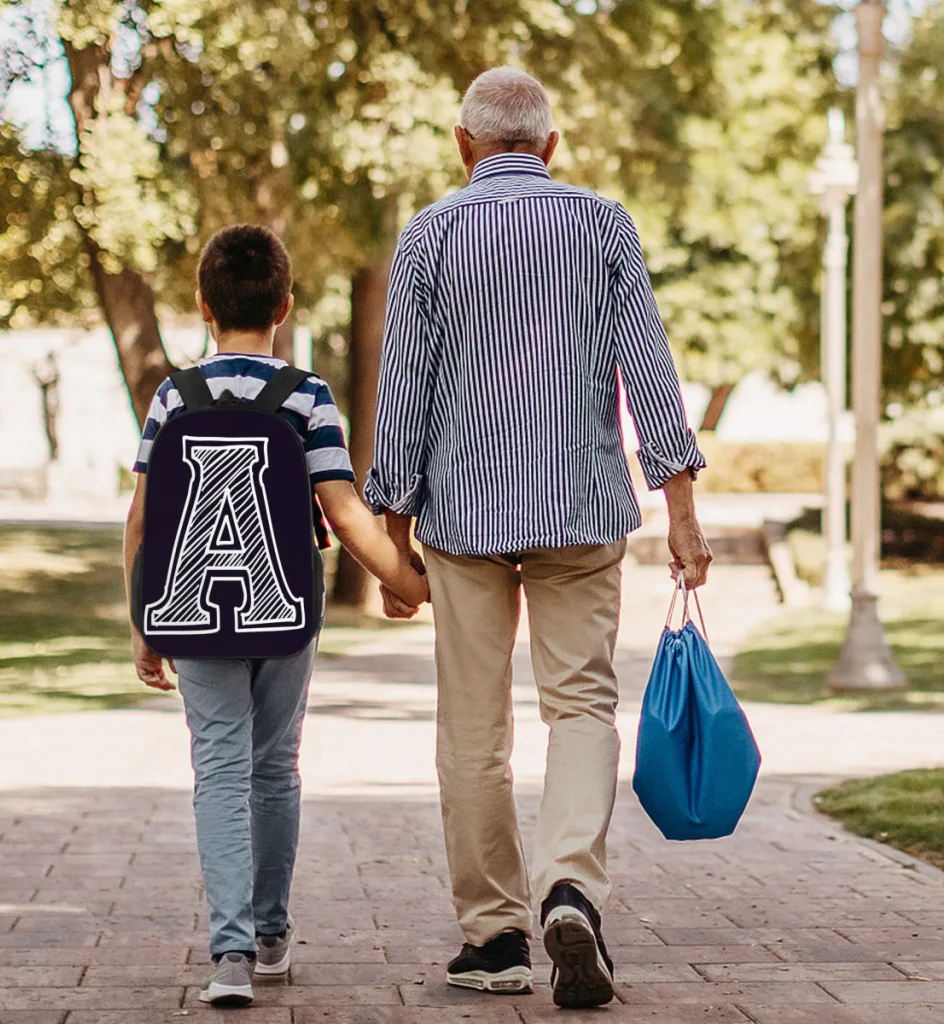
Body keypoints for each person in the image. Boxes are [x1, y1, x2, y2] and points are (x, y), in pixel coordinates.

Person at [365, 68, 712, 1009]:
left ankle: (496, 939)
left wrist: (392, 538)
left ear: (462, 143)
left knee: (473, 732)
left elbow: (404, 393)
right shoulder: (603, 223)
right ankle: (571, 889)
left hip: (465, 518)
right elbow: (649, 364)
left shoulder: (431, 232)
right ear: (550, 147)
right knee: (582, 709)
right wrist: (679, 507)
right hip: (582, 510)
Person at [123, 225, 429, 1008]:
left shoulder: (171, 396)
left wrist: (141, 620)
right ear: (285, 307)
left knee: (218, 767)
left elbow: (143, 518)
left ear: (202, 305)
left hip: (190, 607)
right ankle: (269, 937)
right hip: (285, 604)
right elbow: (346, 513)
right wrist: (415, 584)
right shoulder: (305, 396)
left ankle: (227, 957)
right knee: (274, 766)